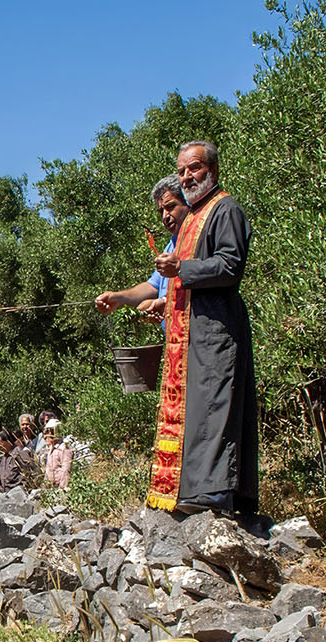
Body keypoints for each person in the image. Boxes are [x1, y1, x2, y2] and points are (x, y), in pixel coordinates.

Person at [147, 140, 259, 517]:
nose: (187, 176)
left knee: (215, 407)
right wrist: (166, 298)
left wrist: (182, 270)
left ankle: (215, 494)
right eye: (181, 171)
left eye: (193, 168)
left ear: (212, 168)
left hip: (216, 331)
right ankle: (193, 489)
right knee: (196, 409)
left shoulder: (224, 209)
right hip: (191, 333)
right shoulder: (193, 217)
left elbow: (230, 265)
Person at [95, 176, 192, 319]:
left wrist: (167, 302)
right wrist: (119, 297)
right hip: (175, 338)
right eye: (161, 211)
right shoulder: (171, 246)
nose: (165, 216)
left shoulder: (200, 240)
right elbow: (153, 287)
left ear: (188, 204)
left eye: (170, 207)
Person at [42, 421, 74, 489]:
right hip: (51, 487)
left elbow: (66, 470)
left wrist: (62, 488)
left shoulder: (64, 449)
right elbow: (48, 470)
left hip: (59, 487)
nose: (45, 436)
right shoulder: (51, 449)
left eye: (49, 432)